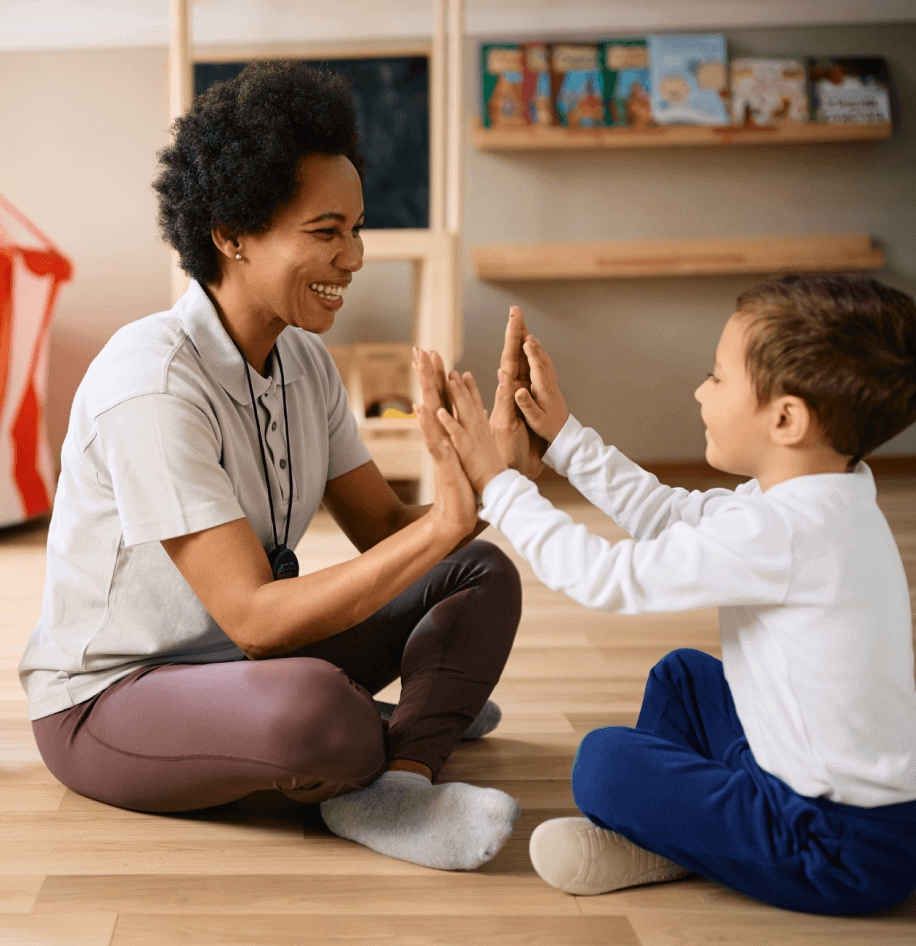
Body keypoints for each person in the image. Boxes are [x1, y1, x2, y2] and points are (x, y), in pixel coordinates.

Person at [17, 60, 545, 873]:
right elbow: (256, 618)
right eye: (326, 232)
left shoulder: (303, 363)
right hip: (111, 699)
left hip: (245, 664)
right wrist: (444, 522)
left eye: (357, 229)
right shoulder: (151, 380)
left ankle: (397, 779)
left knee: (479, 570)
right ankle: (389, 725)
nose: (354, 257)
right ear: (231, 233)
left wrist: (494, 481)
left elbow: (382, 531)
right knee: (319, 716)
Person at [423, 273, 916, 913]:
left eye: (718, 376)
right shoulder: (824, 495)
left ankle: (670, 837)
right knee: (684, 679)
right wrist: (565, 438)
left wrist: (498, 485)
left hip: (838, 847)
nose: (702, 389)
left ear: (786, 418)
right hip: (859, 814)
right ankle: (684, 832)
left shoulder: (783, 530)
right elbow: (672, 515)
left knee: (603, 763)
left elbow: (603, 578)